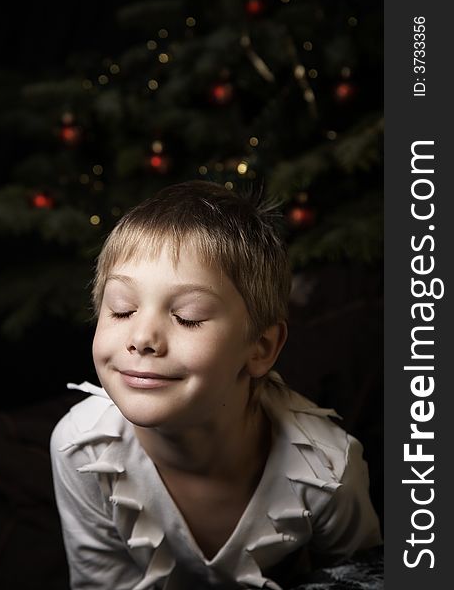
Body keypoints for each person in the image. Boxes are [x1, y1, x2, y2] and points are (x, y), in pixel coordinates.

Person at [50, 180, 382, 590]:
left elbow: (363, 578)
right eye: (122, 309)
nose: (142, 337)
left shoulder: (329, 468)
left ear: (260, 348)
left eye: (188, 317)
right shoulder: (81, 447)